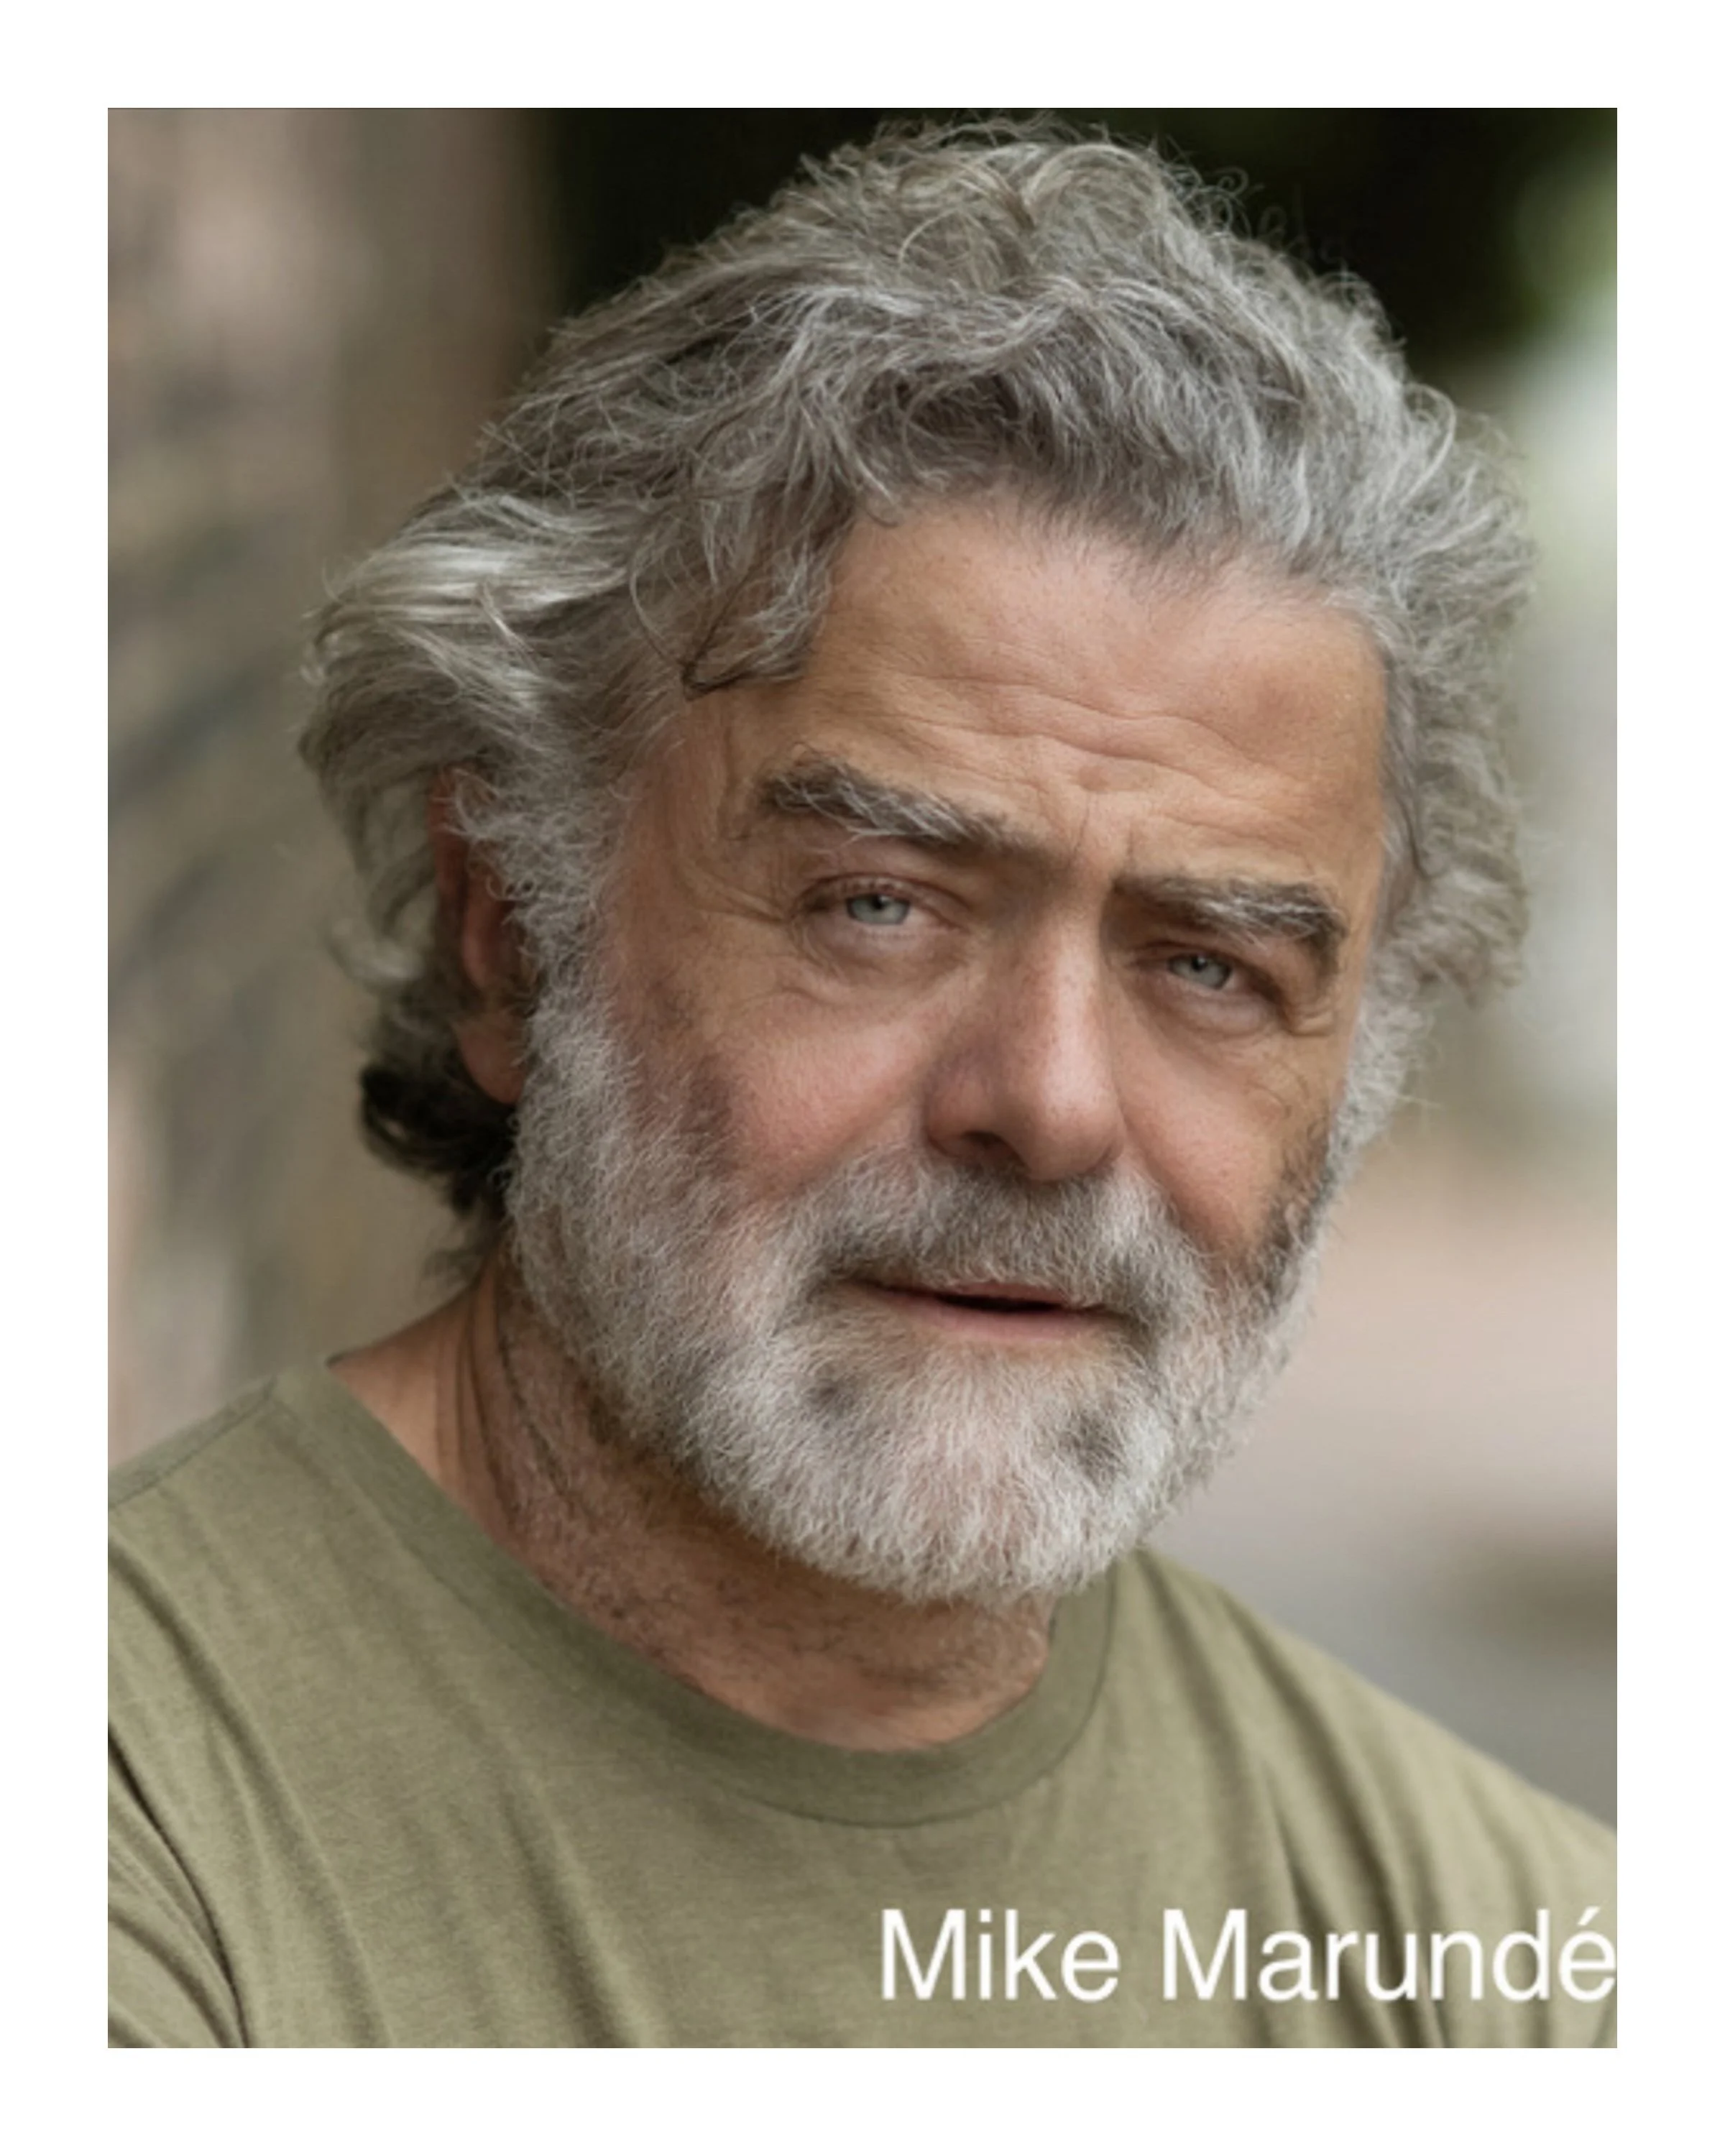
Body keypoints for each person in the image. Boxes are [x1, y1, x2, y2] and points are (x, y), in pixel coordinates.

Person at [109, 119, 1614, 2047]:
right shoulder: (127, 1819)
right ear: (509, 930)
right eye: (882, 903)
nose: (1052, 1107)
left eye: (1210, 966)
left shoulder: (1516, 1971)